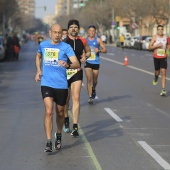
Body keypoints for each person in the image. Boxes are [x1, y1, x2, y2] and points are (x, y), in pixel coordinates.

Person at [35, 24, 80, 152]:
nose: (57, 35)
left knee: (60, 112)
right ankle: (49, 141)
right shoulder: (43, 45)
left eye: (59, 33)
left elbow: (76, 63)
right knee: (48, 111)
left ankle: (58, 134)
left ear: (62, 34)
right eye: (55, 32)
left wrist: (67, 65)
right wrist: (38, 70)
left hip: (61, 84)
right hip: (47, 82)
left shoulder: (66, 47)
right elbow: (38, 56)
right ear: (50, 32)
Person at [63, 19, 91, 136]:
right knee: (66, 99)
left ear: (78, 29)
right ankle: (66, 120)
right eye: (71, 27)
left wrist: (85, 57)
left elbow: (88, 51)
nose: (73, 29)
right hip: (64, 72)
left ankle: (75, 126)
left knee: (76, 98)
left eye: (75, 27)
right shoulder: (63, 42)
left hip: (77, 71)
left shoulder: (83, 41)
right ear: (68, 29)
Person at [84, 25, 107, 104]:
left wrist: (99, 50)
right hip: (88, 62)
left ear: (95, 32)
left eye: (93, 31)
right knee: (89, 79)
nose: (91, 32)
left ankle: (93, 89)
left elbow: (105, 50)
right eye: (90, 30)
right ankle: (90, 97)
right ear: (88, 31)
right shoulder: (85, 40)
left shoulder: (98, 40)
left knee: (94, 80)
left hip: (96, 62)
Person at [149, 24, 170, 96]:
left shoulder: (166, 37)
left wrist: (168, 51)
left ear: (163, 30)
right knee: (157, 72)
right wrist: (156, 46)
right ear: (157, 30)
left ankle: (163, 89)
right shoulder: (155, 37)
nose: (160, 31)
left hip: (163, 57)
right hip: (156, 57)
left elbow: (168, 45)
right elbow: (149, 47)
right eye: (159, 29)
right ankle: (156, 77)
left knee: (163, 72)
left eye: (161, 29)